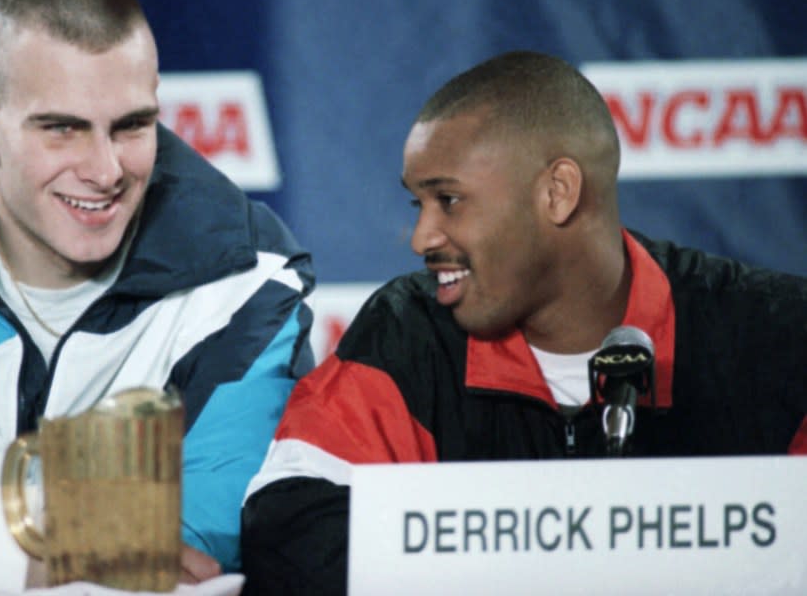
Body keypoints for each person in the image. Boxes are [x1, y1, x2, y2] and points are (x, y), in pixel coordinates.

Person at [239, 50, 807, 594]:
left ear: (557, 193)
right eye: (420, 204)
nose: (421, 238)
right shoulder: (408, 332)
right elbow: (289, 524)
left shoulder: (776, 335)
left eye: (450, 200)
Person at [0, 0, 315, 581]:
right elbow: (135, 560)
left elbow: (202, 547)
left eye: (131, 127)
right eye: (62, 129)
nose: (104, 170)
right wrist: (66, 552)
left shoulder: (246, 282)